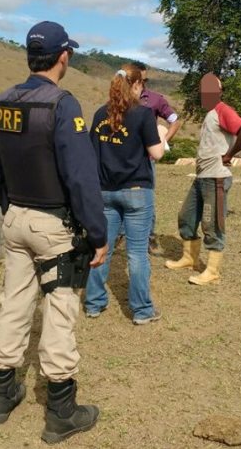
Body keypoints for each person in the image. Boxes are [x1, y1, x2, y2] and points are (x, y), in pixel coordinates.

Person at [0, 20, 108, 445]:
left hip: (15, 217)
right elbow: (80, 176)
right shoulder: (62, 105)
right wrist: (97, 232)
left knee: (14, 302)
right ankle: (61, 412)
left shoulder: (1, 102)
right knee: (59, 311)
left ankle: (2, 396)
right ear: (63, 56)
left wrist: (11, 210)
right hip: (53, 225)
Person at [85, 64, 165, 324]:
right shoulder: (142, 115)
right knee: (137, 252)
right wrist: (162, 136)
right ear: (136, 85)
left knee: (102, 249)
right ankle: (141, 310)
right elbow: (157, 154)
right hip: (137, 193)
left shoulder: (99, 115)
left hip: (105, 192)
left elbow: (90, 152)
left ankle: (94, 303)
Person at [165, 72, 241, 285]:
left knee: (212, 223)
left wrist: (230, 155)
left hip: (216, 178)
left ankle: (212, 271)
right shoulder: (210, 113)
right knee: (186, 216)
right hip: (202, 177)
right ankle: (189, 258)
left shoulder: (223, 110)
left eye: (210, 90)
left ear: (219, 92)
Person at [130, 61, 183, 256]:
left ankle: (149, 239)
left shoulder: (155, 99)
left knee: (147, 199)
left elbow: (174, 121)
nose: (141, 83)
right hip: (122, 159)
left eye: (144, 80)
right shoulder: (121, 98)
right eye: (137, 80)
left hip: (146, 160)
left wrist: (162, 143)